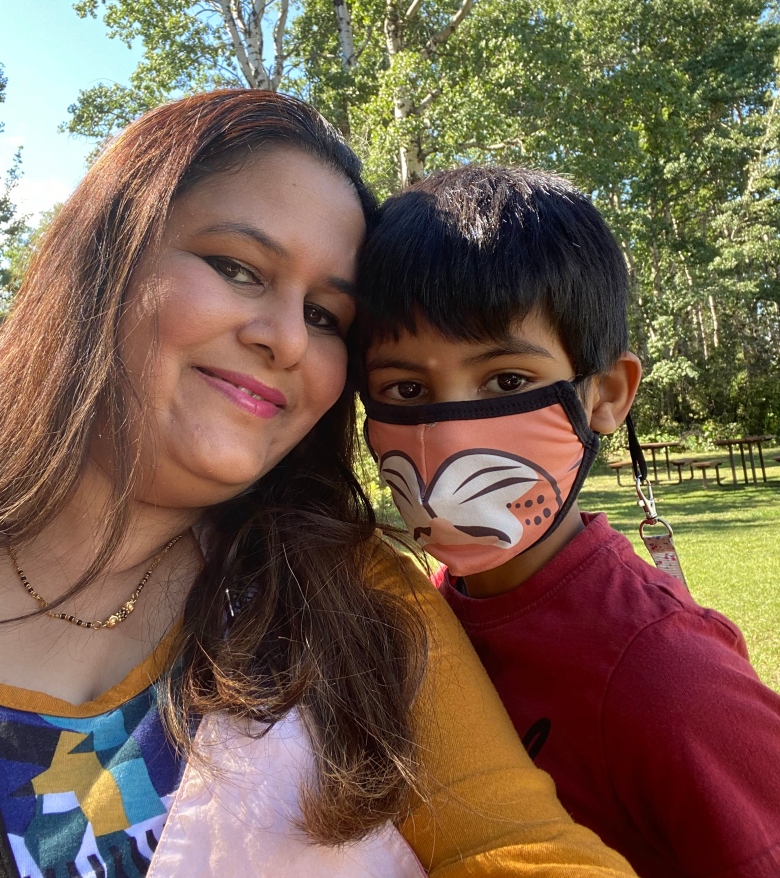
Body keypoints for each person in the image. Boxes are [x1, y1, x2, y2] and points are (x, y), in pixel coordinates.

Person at [0, 94, 635, 878]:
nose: (289, 339)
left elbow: (522, 848)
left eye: (328, 315)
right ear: (103, 260)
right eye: (238, 269)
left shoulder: (353, 600)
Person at [359, 164, 780, 878]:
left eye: (508, 382)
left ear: (608, 395)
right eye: (406, 388)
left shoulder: (668, 677)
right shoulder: (424, 612)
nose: (447, 436)